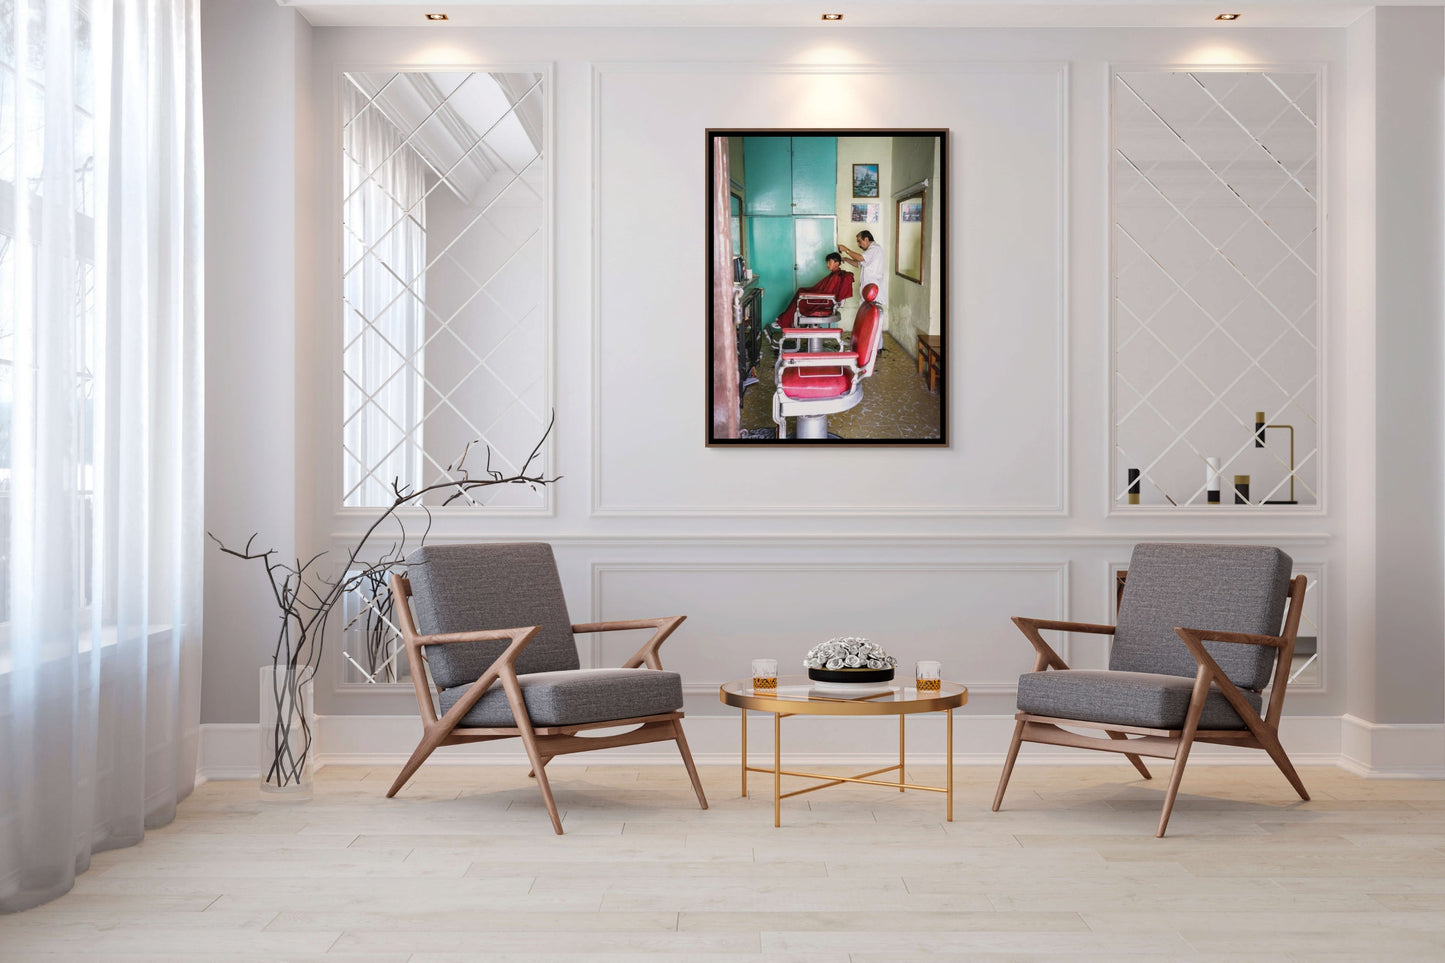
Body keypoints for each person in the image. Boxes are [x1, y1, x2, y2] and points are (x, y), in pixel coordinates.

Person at [771, 251, 855, 330]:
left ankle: (783, 321)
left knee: (800, 300)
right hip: (825, 299)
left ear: (836, 263)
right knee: (801, 291)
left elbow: (827, 293)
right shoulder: (836, 274)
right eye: (827, 262)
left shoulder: (836, 276)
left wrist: (810, 294)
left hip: (824, 301)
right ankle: (784, 319)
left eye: (829, 262)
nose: (827, 264)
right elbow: (825, 290)